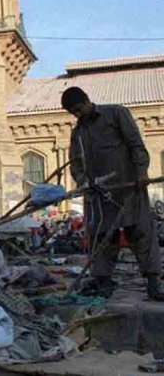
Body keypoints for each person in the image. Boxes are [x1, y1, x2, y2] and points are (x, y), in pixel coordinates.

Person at [62, 86, 164, 300]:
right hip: (99, 197)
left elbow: (136, 144)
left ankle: (154, 283)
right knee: (102, 238)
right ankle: (103, 282)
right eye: (73, 113)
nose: (78, 115)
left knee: (141, 233)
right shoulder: (78, 133)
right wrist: (83, 182)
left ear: (88, 100)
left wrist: (141, 172)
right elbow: (76, 164)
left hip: (128, 190)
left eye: (79, 109)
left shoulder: (116, 114)